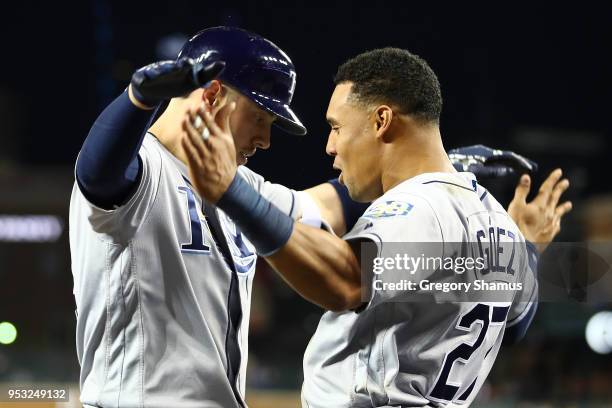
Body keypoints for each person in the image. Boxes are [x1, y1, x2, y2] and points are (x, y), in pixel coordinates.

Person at [181, 47, 572, 407]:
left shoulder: (422, 205)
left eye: (336, 127)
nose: (330, 147)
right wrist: (528, 250)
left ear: (382, 120)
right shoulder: (496, 221)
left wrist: (231, 192)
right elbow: (515, 325)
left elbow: (347, 280)